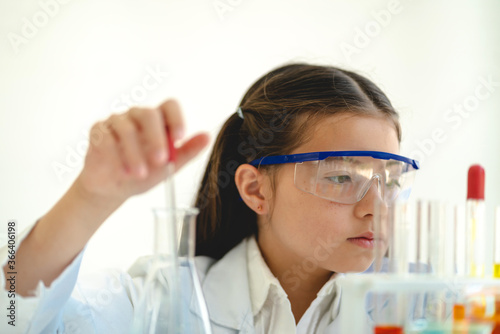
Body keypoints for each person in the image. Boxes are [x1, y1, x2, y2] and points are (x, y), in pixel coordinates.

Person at [0, 63, 419, 333]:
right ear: (256, 189)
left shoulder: (421, 305)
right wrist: (89, 198)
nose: (376, 208)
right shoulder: (165, 301)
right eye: (342, 176)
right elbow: (15, 313)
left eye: (391, 180)